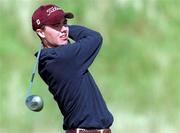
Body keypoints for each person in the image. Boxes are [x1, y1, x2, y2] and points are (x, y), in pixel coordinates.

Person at [31, 4, 113, 133]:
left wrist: (60, 30)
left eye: (65, 23)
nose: (63, 29)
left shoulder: (49, 58)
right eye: (56, 25)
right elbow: (94, 38)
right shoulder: (60, 59)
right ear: (41, 32)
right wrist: (69, 29)